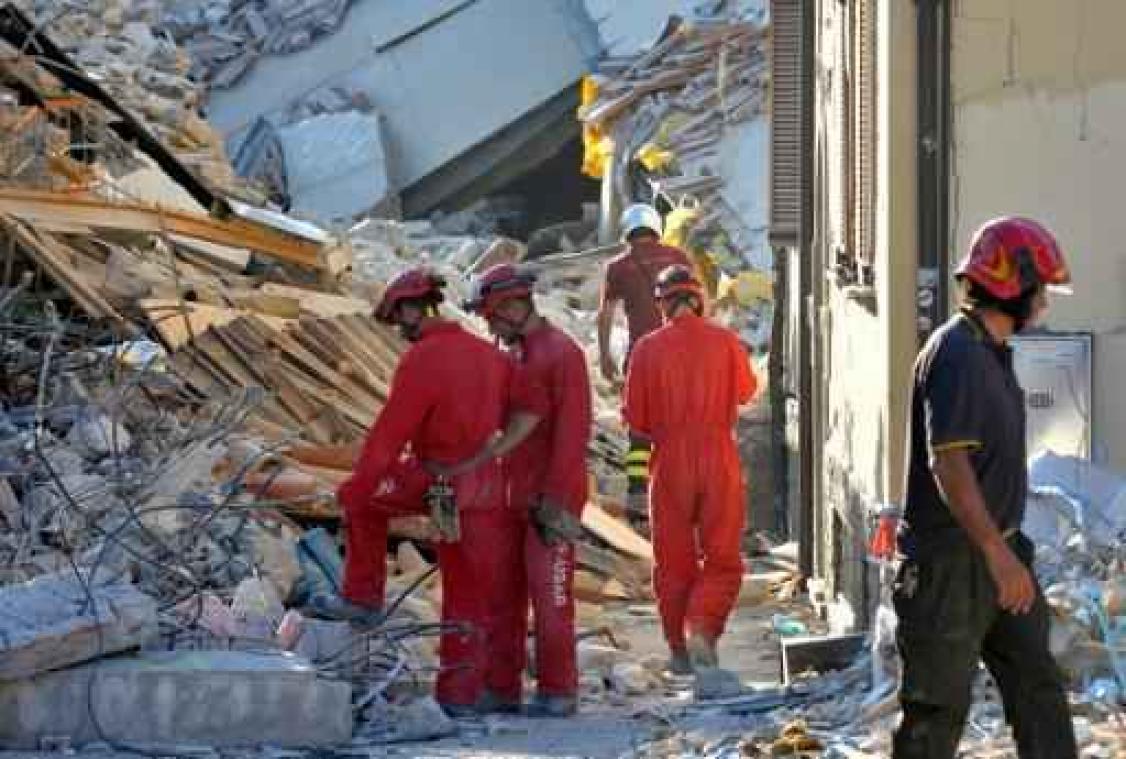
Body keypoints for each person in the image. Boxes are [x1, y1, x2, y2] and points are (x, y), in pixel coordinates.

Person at [892, 216, 1077, 759]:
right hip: (952, 564)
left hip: (999, 551)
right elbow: (949, 465)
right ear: (1010, 283)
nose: (1044, 302)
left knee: (1039, 691)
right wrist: (998, 557)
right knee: (936, 714)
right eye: (1038, 289)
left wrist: (1005, 552)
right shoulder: (958, 355)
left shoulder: (991, 351)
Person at [334, 267, 536, 718]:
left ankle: (363, 597)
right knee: (475, 588)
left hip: (440, 483)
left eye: (399, 318)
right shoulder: (494, 357)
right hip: (485, 485)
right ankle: (471, 694)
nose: (400, 330)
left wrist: (359, 483)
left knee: (359, 502)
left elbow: (390, 434)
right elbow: (529, 414)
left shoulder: (424, 359)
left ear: (411, 308)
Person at [459, 263, 593, 718]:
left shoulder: (562, 354)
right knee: (503, 598)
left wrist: (560, 501)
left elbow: (573, 435)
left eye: (492, 316)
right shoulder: (513, 354)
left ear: (515, 306)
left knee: (550, 599)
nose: (489, 326)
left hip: (548, 500)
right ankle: (502, 688)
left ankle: (559, 690)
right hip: (510, 498)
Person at [622, 265, 756, 676]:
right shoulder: (726, 341)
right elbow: (747, 392)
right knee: (723, 558)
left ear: (662, 304)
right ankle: (703, 628)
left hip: (669, 461)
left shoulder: (646, 349)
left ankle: (679, 650)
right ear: (699, 299)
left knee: (673, 560)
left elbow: (636, 420)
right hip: (718, 455)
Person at [597, 203, 692, 527]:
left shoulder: (618, 266)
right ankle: (679, 495)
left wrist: (606, 356)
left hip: (639, 357)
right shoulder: (678, 258)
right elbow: (697, 305)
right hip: (679, 355)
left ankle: (638, 498)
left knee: (639, 429)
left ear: (626, 231)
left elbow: (606, 314)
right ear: (655, 227)